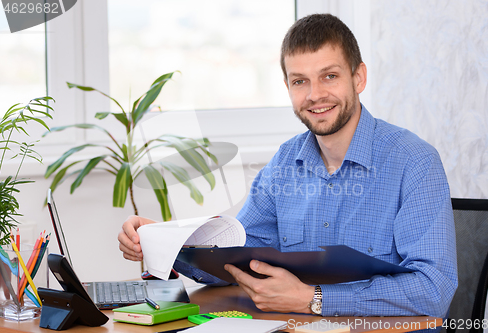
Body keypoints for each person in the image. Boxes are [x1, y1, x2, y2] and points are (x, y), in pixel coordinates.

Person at [118, 13, 457, 318]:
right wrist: (168, 241)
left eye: (329, 76)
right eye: (300, 81)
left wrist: (314, 298)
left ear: (358, 78)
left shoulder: (414, 162)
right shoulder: (285, 162)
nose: (314, 95)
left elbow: (433, 290)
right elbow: (234, 259)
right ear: (288, 88)